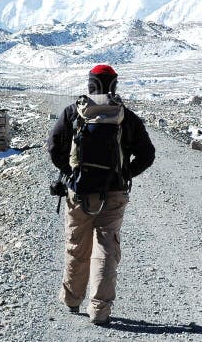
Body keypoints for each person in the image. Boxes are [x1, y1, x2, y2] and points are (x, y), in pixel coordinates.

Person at [47, 64, 155, 325]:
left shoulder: (73, 112)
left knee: (76, 247)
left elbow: (53, 147)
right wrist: (124, 174)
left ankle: (73, 300)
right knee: (106, 250)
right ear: (114, 84)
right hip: (114, 192)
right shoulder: (125, 116)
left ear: (90, 84)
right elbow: (147, 154)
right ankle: (100, 311)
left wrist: (71, 172)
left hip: (79, 193)